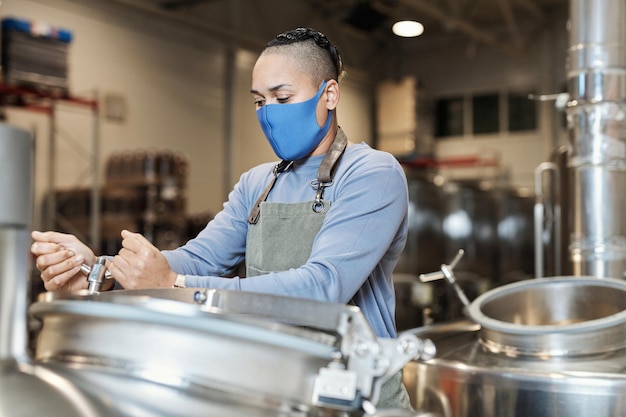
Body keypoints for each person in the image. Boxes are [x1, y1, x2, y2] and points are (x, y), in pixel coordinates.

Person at [31, 27, 411, 409]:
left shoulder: (372, 173)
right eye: (260, 102)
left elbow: (324, 287)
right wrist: (101, 270)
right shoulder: (258, 183)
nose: (269, 114)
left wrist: (175, 283)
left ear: (329, 95)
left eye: (282, 97)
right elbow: (199, 258)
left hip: (361, 395)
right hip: (281, 391)